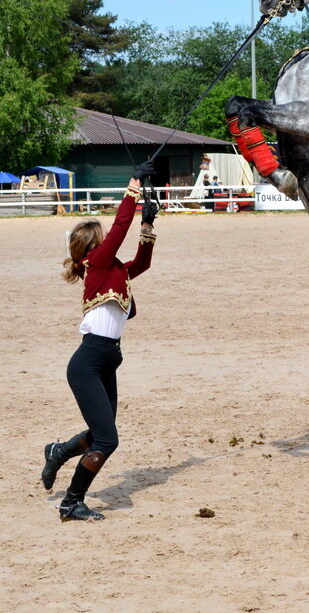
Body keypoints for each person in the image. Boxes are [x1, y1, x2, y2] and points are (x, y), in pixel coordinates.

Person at [41, 161, 158, 522]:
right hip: (89, 361)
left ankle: (59, 452)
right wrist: (134, 185)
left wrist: (149, 224)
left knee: (100, 433)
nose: (108, 237)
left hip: (107, 360)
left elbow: (142, 263)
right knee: (108, 440)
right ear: (93, 246)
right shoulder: (98, 261)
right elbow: (119, 229)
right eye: (103, 236)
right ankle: (70, 502)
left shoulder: (113, 269)